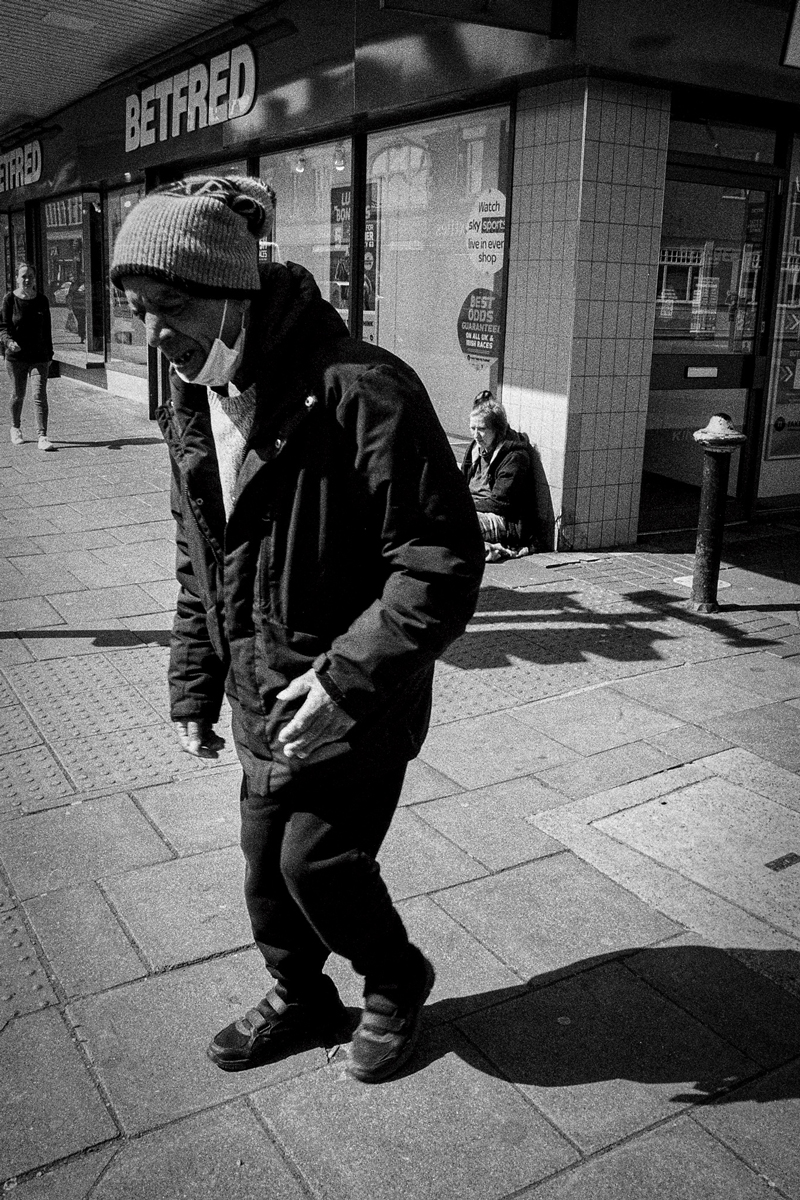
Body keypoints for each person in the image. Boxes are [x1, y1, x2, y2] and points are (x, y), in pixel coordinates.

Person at [110, 176, 484, 1084]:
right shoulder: (191, 402)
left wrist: (347, 681)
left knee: (320, 864)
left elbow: (438, 561)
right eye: (138, 309)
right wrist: (195, 685)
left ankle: (396, 982)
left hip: (355, 699)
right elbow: (198, 562)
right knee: (264, 874)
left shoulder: (363, 390)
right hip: (255, 689)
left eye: (174, 305)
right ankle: (301, 995)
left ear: (235, 291)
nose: (156, 334)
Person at [461, 390, 536, 561]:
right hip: (472, 508)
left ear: (497, 430)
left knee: (449, 526)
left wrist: (462, 506)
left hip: (503, 520)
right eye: (473, 428)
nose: (475, 435)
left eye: (481, 429)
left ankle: (488, 548)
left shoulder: (515, 457)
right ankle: (484, 547)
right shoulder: (475, 448)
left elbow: (500, 504)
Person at [0, 263, 55, 450]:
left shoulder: (42, 300)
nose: (27, 279)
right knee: (18, 394)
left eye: (30, 276)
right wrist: (8, 342)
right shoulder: (9, 300)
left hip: (39, 356)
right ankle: (15, 428)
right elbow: (3, 327)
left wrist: (50, 354)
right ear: (16, 278)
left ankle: (43, 436)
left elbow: (47, 330)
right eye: (23, 276)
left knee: (39, 394)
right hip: (16, 357)